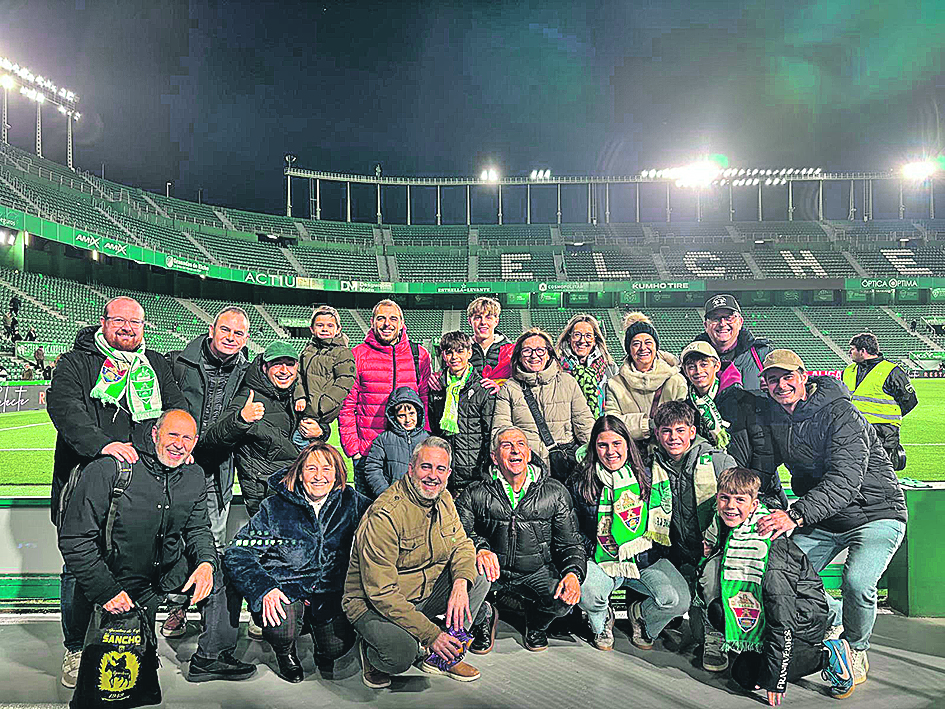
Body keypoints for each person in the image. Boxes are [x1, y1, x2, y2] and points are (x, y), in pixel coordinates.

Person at [47, 296, 187, 688]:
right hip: (85, 479)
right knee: (78, 566)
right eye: (120, 321)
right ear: (104, 322)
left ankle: (132, 639)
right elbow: (63, 407)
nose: (128, 328)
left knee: (135, 565)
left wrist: (180, 445)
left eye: (136, 323)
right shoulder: (77, 362)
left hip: (139, 489)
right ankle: (76, 647)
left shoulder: (156, 364)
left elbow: (175, 410)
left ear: (144, 327)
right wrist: (102, 445)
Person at [57, 410, 255, 685]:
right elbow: (75, 540)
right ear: (154, 434)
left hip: (165, 573)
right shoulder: (110, 469)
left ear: (195, 442)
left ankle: (212, 657)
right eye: (172, 434)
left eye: (187, 438)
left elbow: (198, 529)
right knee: (117, 679)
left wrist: (206, 564)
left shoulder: (194, 475)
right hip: (118, 579)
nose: (179, 444)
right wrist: (106, 590)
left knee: (221, 570)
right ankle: (78, 648)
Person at [756, 350, 907, 687]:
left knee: (857, 582)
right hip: (824, 518)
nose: (781, 385)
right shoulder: (776, 417)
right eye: (773, 379)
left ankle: (855, 648)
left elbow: (844, 480)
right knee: (777, 574)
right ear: (765, 385)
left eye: (787, 377)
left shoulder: (842, 413)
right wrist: (763, 503)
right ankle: (837, 615)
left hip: (875, 512)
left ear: (804, 375)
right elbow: (765, 470)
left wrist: (794, 514)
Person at [697, 467, 856, 704]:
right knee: (724, 625)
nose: (730, 506)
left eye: (740, 500)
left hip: (800, 622)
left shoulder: (770, 548)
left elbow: (782, 618)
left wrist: (776, 680)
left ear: (753, 504)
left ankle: (826, 654)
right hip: (769, 613)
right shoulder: (734, 528)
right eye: (724, 498)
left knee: (754, 677)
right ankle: (763, 650)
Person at [343, 437, 490, 687]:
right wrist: (431, 634)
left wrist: (460, 584)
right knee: (401, 655)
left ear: (448, 473)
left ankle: (444, 654)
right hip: (373, 603)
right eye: (426, 467)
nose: (433, 475)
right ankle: (371, 649)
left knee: (479, 574)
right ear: (410, 469)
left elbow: (462, 544)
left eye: (440, 469)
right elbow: (381, 593)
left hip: (421, 594)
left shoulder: (443, 499)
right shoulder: (386, 514)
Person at [224, 443, 370, 682]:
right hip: (286, 588)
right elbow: (239, 551)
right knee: (281, 627)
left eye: (327, 468)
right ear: (300, 474)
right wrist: (264, 588)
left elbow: (384, 518)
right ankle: (285, 653)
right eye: (311, 468)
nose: (319, 476)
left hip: (330, 593)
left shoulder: (352, 502)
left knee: (337, 646)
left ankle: (323, 650)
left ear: (337, 474)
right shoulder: (275, 507)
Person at [162, 306, 252, 638]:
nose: (231, 338)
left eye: (239, 333)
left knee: (212, 538)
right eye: (226, 330)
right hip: (177, 464)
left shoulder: (248, 372)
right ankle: (176, 606)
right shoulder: (178, 362)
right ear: (212, 329)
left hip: (219, 466)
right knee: (173, 537)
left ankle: (207, 612)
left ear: (246, 339)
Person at [459, 426, 585, 653]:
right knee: (458, 584)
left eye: (520, 445)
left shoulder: (554, 492)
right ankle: (484, 617)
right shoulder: (474, 492)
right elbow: (457, 534)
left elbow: (571, 543)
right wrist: (479, 548)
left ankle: (536, 624)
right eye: (506, 446)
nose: (515, 451)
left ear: (528, 453)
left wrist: (573, 573)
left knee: (564, 599)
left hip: (536, 571)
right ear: (494, 458)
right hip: (489, 571)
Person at [570, 416, 690, 651]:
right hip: (602, 559)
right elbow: (573, 530)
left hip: (644, 559)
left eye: (617, 444)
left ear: (627, 445)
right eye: (602, 445)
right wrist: (596, 551)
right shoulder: (581, 481)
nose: (610, 451)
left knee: (677, 600)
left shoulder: (649, 476)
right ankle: (602, 619)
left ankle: (642, 617)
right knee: (588, 591)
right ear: (594, 448)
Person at [649, 400, 737, 669]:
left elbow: (739, 501)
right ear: (657, 434)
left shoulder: (717, 460)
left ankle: (717, 636)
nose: (673, 437)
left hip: (717, 551)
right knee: (689, 624)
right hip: (680, 551)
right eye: (666, 431)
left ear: (691, 431)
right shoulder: (653, 463)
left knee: (707, 622)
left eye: (679, 430)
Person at [339, 299, 432, 494]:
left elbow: (424, 401)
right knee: (369, 515)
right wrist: (353, 450)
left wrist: (424, 441)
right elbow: (347, 406)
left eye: (393, 319)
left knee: (410, 515)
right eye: (381, 318)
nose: (387, 324)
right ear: (372, 322)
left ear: (401, 324)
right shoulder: (357, 355)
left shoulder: (419, 355)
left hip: (408, 452)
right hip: (368, 451)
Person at [679, 340, 786, 509]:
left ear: (716, 366)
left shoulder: (744, 399)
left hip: (754, 494)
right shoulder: (687, 409)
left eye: (704, 364)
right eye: (691, 366)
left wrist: (752, 490)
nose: (698, 371)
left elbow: (765, 451)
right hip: (713, 495)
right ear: (685, 371)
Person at [203, 341, 302, 517]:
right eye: (277, 364)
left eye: (289, 364)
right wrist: (241, 419)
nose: (284, 370)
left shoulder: (296, 392)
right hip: (265, 491)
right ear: (264, 368)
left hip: (293, 482)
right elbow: (211, 438)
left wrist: (321, 430)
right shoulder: (249, 395)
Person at [492, 328, 594, 479]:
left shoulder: (567, 382)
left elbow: (585, 426)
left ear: (548, 355)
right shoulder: (509, 388)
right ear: (519, 356)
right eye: (527, 351)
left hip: (565, 468)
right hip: (528, 471)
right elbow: (501, 432)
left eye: (540, 350)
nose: (534, 356)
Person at [428, 331, 496, 496]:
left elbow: (488, 433)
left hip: (473, 475)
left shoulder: (482, 389)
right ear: (443, 355)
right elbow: (433, 429)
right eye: (449, 352)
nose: (454, 357)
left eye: (459, 351)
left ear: (469, 353)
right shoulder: (437, 387)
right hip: (444, 473)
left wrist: (486, 470)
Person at [605, 312, 687, 442]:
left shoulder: (675, 381)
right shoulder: (615, 384)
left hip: (667, 452)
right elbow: (612, 423)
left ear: (656, 347)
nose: (643, 348)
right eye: (636, 343)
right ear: (629, 349)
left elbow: (681, 423)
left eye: (648, 342)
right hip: (630, 452)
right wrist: (648, 425)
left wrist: (632, 424)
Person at [843, 333, 918, 470]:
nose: (850, 352)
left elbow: (910, 400)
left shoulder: (891, 371)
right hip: (854, 431)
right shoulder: (849, 371)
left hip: (882, 434)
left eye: (852, 349)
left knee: (880, 477)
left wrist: (888, 417)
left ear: (863, 351)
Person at [291, 305, 356, 445]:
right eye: (320, 325)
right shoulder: (308, 351)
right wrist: (300, 396)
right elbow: (298, 375)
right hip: (304, 409)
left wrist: (320, 408)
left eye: (330, 325)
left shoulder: (342, 353)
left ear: (338, 329)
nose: (325, 329)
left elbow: (344, 383)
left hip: (318, 414)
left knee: (299, 442)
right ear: (312, 329)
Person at [694, 294, 773, 391]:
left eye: (728, 318)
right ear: (706, 326)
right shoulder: (691, 360)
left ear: (740, 322)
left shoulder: (763, 355)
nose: (722, 323)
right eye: (715, 318)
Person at [363, 386, 429, 499]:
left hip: (421, 497)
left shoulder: (428, 440)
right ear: (394, 417)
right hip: (393, 498)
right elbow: (372, 468)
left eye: (411, 414)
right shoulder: (384, 439)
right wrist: (386, 494)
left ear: (418, 413)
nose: (408, 420)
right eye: (402, 416)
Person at [556, 313, 617, 417]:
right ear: (569, 339)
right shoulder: (557, 366)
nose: (582, 340)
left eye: (588, 336)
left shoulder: (610, 368)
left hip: (601, 426)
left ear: (594, 340)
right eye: (577, 335)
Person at [466, 296, 514, 383]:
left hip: (501, 396)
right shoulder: (462, 350)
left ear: (496, 321)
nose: (483, 322)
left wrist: (501, 388)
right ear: (470, 321)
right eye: (478, 317)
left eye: (488, 317)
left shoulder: (510, 351)